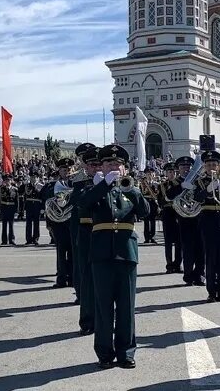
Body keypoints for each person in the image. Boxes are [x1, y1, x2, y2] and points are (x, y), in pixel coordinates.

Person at [77, 144, 149, 369]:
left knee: (127, 307)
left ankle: (126, 352)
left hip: (126, 253)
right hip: (101, 253)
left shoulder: (130, 190)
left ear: (125, 169)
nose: (114, 167)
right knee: (103, 307)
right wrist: (102, 186)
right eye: (109, 163)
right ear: (102, 167)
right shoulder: (93, 188)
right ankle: (105, 353)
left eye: (118, 164)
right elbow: (82, 204)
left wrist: (134, 190)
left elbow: (146, 212)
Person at [197, 150, 220, 303]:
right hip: (208, 221)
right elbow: (195, 197)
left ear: (219, 166)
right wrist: (207, 190)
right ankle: (211, 291)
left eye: (214, 164)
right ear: (204, 166)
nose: (212, 167)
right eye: (209, 164)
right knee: (211, 258)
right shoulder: (199, 181)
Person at [72, 143, 100, 336]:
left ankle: (105, 318)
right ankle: (87, 320)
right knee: (87, 280)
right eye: (92, 165)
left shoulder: (113, 183)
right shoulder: (79, 184)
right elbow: (80, 205)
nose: (96, 168)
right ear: (86, 167)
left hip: (105, 235)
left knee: (104, 281)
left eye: (99, 165)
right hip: (85, 233)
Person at [45, 158, 76, 289]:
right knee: (61, 252)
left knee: (74, 252)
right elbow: (47, 205)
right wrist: (49, 224)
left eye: (69, 170)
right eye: (64, 170)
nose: (67, 172)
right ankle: (61, 278)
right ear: (59, 171)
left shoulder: (76, 184)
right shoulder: (52, 186)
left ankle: (73, 278)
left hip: (72, 222)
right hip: (58, 224)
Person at [175, 155, 204, 287]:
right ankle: (188, 275)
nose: (186, 169)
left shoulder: (198, 181)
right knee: (187, 249)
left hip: (198, 218)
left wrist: (194, 188)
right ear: (178, 169)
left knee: (200, 248)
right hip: (184, 218)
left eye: (188, 166)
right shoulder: (175, 183)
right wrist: (181, 187)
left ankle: (199, 275)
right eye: (183, 167)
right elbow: (168, 196)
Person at [159, 162, 183, 274]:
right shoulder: (162, 185)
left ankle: (178, 264)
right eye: (169, 172)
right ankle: (169, 265)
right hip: (167, 213)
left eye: (173, 171)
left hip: (178, 212)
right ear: (166, 173)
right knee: (168, 242)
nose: (172, 174)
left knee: (179, 241)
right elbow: (160, 201)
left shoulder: (180, 183)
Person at [0, 175, 18, 245]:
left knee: (11, 225)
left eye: (9, 180)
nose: (7, 182)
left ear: (11, 181)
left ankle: (12, 240)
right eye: (6, 180)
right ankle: (4, 241)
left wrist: (16, 211)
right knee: (4, 225)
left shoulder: (15, 189)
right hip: (4, 208)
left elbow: (16, 201)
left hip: (11, 208)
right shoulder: (1, 189)